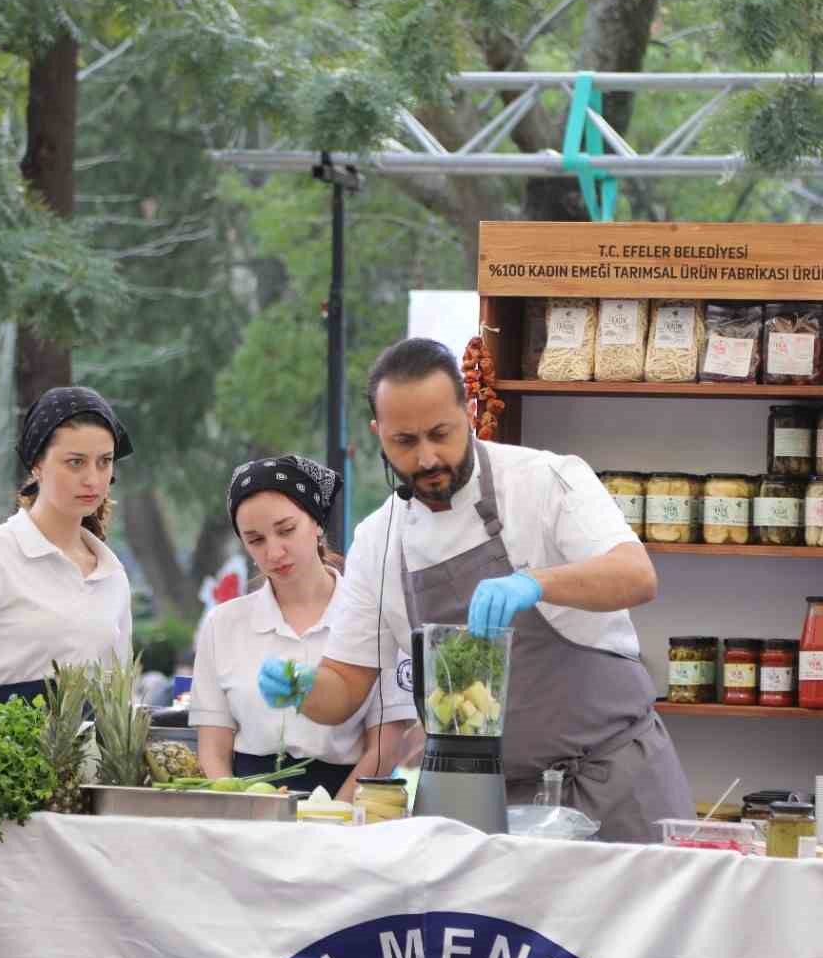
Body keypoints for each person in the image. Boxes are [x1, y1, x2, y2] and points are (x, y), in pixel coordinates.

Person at [257, 338, 695, 841]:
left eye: (440, 433)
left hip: (614, 785)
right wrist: (305, 688)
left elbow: (635, 575)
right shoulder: (379, 541)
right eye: (404, 441)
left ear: (467, 411)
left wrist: (535, 582)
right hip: (485, 811)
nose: (426, 458)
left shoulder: (543, 480)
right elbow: (344, 687)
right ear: (378, 435)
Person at [188, 456, 415, 799]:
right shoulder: (223, 625)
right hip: (250, 806)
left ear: (318, 523)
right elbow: (213, 749)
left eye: (286, 530)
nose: (274, 551)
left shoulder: (372, 615)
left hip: (348, 799)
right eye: (256, 540)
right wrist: (237, 805)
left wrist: (332, 815)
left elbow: (385, 745)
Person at [0, 387, 135, 710]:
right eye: (75, 462)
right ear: (37, 464)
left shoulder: (113, 575)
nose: (93, 479)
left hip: (96, 758)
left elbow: (119, 703)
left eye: (104, 462)